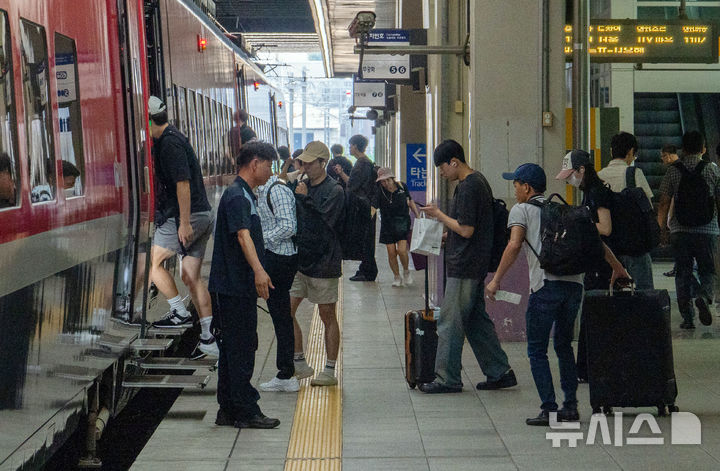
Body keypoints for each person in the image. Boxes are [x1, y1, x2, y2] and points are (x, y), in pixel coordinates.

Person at [487, 163, 629, 426]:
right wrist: (618, 268)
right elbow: (596, 243)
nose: (515, 189)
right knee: (564, 346)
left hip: (545, 287)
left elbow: (515, 244)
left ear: (526, 188)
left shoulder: (521, 210)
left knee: (537, 350)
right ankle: (570, 408)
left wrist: (496, 279)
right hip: (574, 287)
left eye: (516, 184)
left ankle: (549, 409)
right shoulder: (567, 209)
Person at [418, 139, 516, 394]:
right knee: (475, 321)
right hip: (471, 262)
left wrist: (438, 216)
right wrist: (444, 236)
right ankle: (499, 371)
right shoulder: (476, 182)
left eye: (442, 167)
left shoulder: (470, 186)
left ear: (455, 162)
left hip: (466, 265)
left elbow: (467, 229)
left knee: (449, 321)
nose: (441, 173)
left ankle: (447, 378)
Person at [209, 141, 280, 429]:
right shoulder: (238, 196)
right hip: (234, 287)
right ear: (255, 163)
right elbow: (242, 236)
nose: (271, 171)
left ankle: (227, 409)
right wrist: (260, 271)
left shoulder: (242, 193)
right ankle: (246, 411)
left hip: (232, 286)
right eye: (269, 165)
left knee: (232, 348)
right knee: (241, 348)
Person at [146, 96, 218, 357]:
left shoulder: (169, 143)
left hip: (191, 217)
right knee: (190, 276)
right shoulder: (174, 137)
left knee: (151, 262)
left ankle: (179, 312)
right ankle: (209, 340)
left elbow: (182, 183)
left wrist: (185, 222)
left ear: (149, 120)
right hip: (202, 215)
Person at [290, 141, 345, 387]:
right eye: (304, 162)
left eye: (311, 163)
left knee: (327, 314)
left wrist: (303, 199)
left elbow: (324, 224)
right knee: (285, 309)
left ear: (323, 163)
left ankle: (330, 369)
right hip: (300, 261)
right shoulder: (301, 186)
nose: (306, 167)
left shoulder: (335, 191)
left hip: (324, 262)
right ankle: (299, 361)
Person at [657, 131, 720, 329]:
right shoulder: (712, 169)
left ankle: (687, 318)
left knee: (683, 273)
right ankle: (704, 295)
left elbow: (664, 203)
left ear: (683, 150)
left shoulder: (673, 171)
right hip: (707, 230)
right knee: (708, 270)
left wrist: (662, 229)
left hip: (680, 231)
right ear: (703, 149)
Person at [256, 163, 300, 392]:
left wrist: (260, 240)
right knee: (281, 317)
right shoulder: (264, 190)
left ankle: (287, 374)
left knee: (281, 317)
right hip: (275, 256)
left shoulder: (277, 190)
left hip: (280, 259)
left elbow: (289, 227)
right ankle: (286, 373)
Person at [596, 132, 654, 290]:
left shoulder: (598, 177)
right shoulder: (635, 174)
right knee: (644, 292)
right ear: (631, 152)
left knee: (609, 293)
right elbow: (648, 206)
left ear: (610, 151)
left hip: (608, 247)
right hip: (634, 245)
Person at [335, 135, 378, 282]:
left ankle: (368, 271)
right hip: (366, 206)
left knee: (365, 240)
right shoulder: (366, 162)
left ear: (355, 146)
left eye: (350, 145)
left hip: (361, 208)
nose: (349, 148)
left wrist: (342, 175)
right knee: (367, 239)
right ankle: (366, 269)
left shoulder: (361, 164)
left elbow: (352, 186)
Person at [375, 167, 420, 287]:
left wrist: (417, 215)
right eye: (382, 181)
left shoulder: (402, 186)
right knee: (391, 252)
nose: (384, 183)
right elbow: (374, 207)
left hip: (402, 222)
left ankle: (406, 271)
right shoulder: (379, 191)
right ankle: (396, 276)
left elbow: (410, 201)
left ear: (392, 178)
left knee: (401, 250)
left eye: (386, 180)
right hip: (387, 224)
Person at [660, 144, 679, 278]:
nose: (662, 160)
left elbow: (666, 199)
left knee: (680, 247)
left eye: (663, 156)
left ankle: (678, 268)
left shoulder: (673, 170)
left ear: (668, 155)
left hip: (678, 216)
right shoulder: (684, 167)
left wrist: (665, 219)